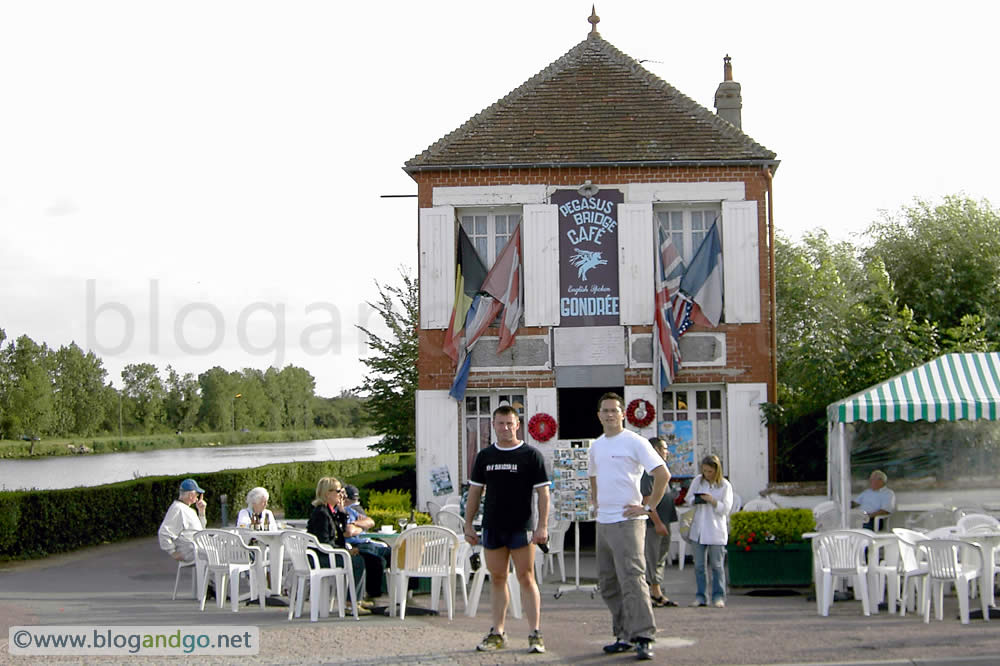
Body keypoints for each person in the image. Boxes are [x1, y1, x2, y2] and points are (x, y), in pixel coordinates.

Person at [589, 393, 669, 662]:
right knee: (608, 583)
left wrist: (648, 508)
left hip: (628, 521)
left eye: (614, 410)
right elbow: (594, 477)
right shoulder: (596, 446)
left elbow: (662, 474)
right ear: (598, 415)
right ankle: (623, 634)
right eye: (605, 410)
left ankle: (644, 636)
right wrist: (595, 503)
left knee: (633, 580)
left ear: (623, 414)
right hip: (604, 521)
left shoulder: (635, 442)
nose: (610, 414)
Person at [464, 404, 550, 654]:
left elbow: (543, 493)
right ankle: (497, 631)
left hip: (521, 527)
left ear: (517, 425)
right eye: (500, 423)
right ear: (493, 425)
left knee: (526, 577)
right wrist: (468, 523)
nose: (505, 428)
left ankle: (535, 633)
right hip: (492, 526)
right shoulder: (485, 456)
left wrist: (542, 526)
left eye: (509, 423)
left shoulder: (531, 455)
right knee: (498, 578)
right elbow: (475, 492)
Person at [306, 476, 372, 615]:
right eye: (338, 491)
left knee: (361, 557)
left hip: (326, 553)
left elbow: (341, 534)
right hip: (320, 556)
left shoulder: (332, 511)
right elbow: (324, 542)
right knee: (357, 562)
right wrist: (345, 551)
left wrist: (342, 511)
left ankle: (356, 599)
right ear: (327, 493)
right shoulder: (321, 513)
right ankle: (351, 604)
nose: (342, 494)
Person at [684, 454, 734, 608]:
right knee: (699, 566)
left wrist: (712, 501)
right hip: (698, 529)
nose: (707, 474)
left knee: (717, 566)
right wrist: (697, 499)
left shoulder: (725, 485)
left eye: (710, 471)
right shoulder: (698, 481)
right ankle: (701, 596)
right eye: (704, 471)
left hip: (715, 530)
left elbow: (726, 509)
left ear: (716, 470)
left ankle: (719, 596)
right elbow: (688, 498)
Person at [642, 437, 677, 607]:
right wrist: (657, 523)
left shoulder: (661, 469)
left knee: (661, 556)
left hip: (665, 520)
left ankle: (657, 590)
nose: (666, 452)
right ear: (655, 449)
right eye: (664, 448)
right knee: (652, 557)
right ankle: (653, 592)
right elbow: (647, 499)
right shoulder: (649, 471)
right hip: (653, 524)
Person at [158, 478, 209, 594]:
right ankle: (211, 588)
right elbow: (164, 532)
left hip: (197, 547)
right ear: (191, 495)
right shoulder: (177, 509)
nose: (198, 497)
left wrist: (201, 512)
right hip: (190, 550)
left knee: (218, 553)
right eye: (197, 494)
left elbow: (201, 529)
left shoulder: (188, 510)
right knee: (215, 555)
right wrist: (172, 552)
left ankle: (210, 587)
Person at [342, 484, 391, 602]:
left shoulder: (355, 510)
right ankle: (373, 597)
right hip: (355, 545)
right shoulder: (345, 511)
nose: (356, 504)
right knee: (376, 560)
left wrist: (357, 524)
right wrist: (360, 526)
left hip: (367, 542)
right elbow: (349, 532)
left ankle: (405, 593)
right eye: (353, 501)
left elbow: (370, 522)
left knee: (394, 553)